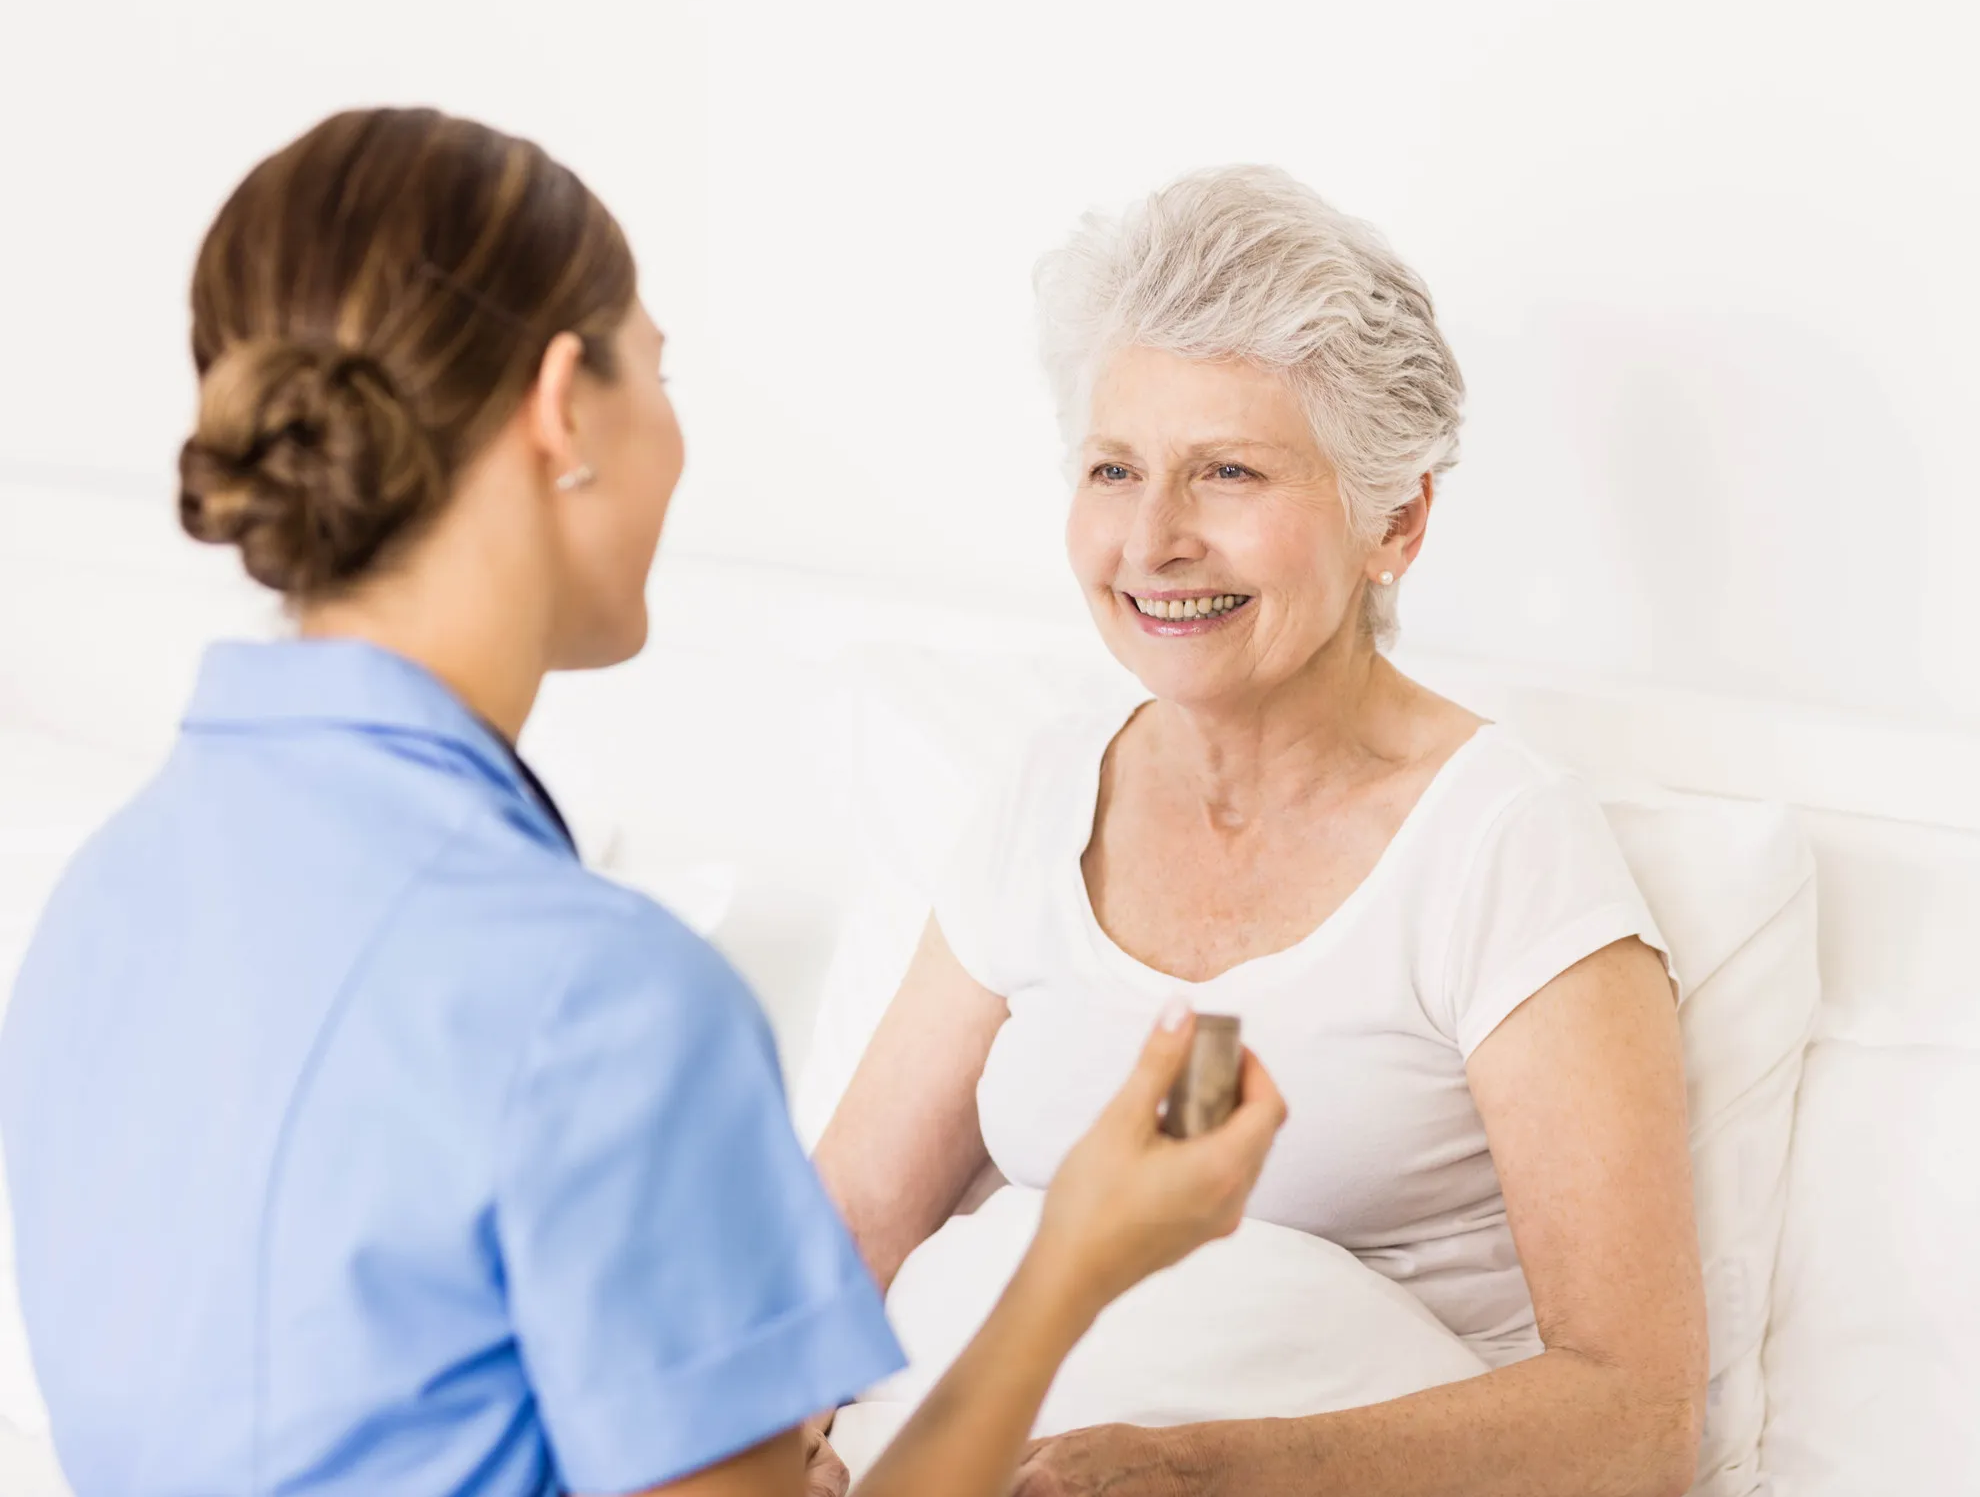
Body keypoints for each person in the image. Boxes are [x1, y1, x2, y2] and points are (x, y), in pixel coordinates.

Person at [0, 108, 1284, 1497]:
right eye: (658, 375)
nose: (675, 442)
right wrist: (1073, 1263)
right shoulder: (604, 1003)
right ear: (564, 406)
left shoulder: (104, 897)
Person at [816, 167, 1709, 1497]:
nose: (1154, 539)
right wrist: (773, 1453)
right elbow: (821, 1254)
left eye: (1225, 472)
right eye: (1113, 468)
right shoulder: (1047, 796)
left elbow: (1638, 1419)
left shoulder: (1501, 846)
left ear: (1394, 520)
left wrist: (1199, 1473)